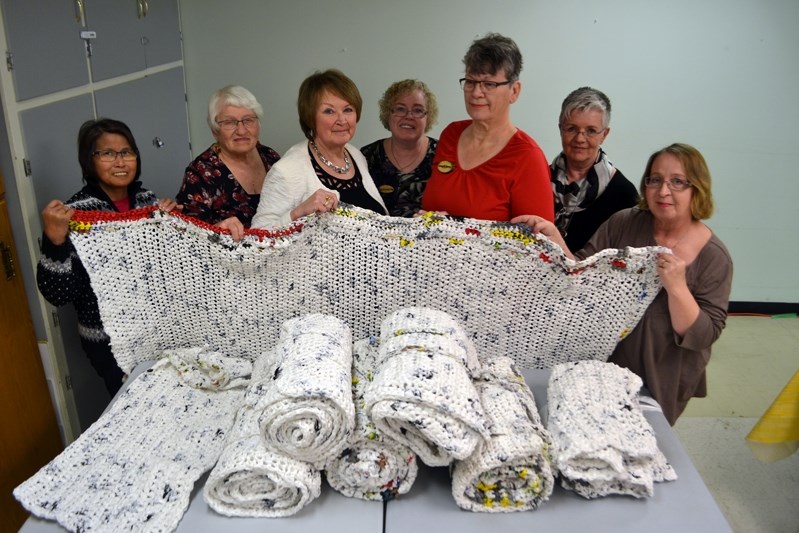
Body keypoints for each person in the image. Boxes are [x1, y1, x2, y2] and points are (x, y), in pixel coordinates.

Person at [513, 143, 733, 424]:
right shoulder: (623, 223)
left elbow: (703, 335)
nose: (663, 191)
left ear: (697, 189)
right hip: (602, 363)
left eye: (677, 182)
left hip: (660, 376)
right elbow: (582, 273)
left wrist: (677, 287)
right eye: (655, 180)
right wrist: (554, 237)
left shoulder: (714, 256)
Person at [37, 118, 177, 396]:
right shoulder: (75, 216)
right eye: (107, 154)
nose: (120, 162)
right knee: (133, 406)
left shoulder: (147, 200)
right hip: (109, 341)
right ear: (89, 160)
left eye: (127, 152)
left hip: (156, 330)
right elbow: (59, 294)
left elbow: (166, 268)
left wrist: (172, 226)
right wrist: (54, 241)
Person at [421, 33, 553, 222]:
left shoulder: (528, 158)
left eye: (489, 84)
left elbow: (538, 245)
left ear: (514, 91)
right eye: (471, 82)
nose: (476, 93)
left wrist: (454, 231)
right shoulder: (451, 134)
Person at [252, 69, 387, 228]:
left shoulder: (356, 155)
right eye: (329, 111)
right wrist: (298, 213)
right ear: (310, 117)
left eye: (348, 109)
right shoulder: (287, 171)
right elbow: (258, 237)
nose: (342, 120)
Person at [176, 85, 280, 240]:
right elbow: (188, 239)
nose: (242, 130)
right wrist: (217, 231)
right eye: (230, 122)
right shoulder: (200, 173)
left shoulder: (270, 157)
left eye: (248, 120)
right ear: (214, 131)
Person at [551, 87, 638, 251]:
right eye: (572, 129)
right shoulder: (538, 179)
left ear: (604, 134)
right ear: (560, 129)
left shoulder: (624, 194)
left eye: (590, 131)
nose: (580, 138)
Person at [360, 79, 439, 217]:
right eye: (400, 109)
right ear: (387, 114)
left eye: (417, 110)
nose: (409, 116)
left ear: (428, 117)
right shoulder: (366, 157)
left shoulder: (443, 155)